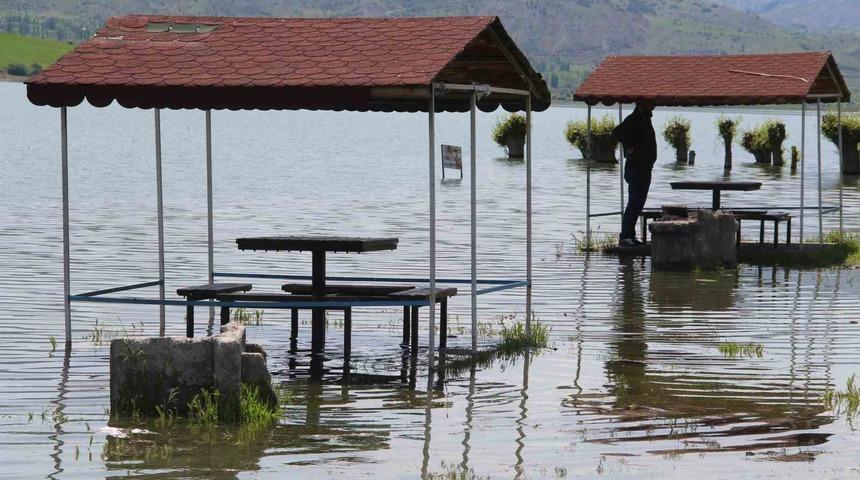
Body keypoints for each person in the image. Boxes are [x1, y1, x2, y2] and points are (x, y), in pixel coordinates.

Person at [613, 101, 657, 247]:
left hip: (643, 168)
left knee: (637, 204)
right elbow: (618, 132)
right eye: (651, 103)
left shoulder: (644, 119)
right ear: (642, 104)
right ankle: (625, 237)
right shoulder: (635, 119)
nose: (653, 105)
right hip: (636, 168)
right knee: (634, 204)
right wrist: (629, 146)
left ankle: (629, 236)